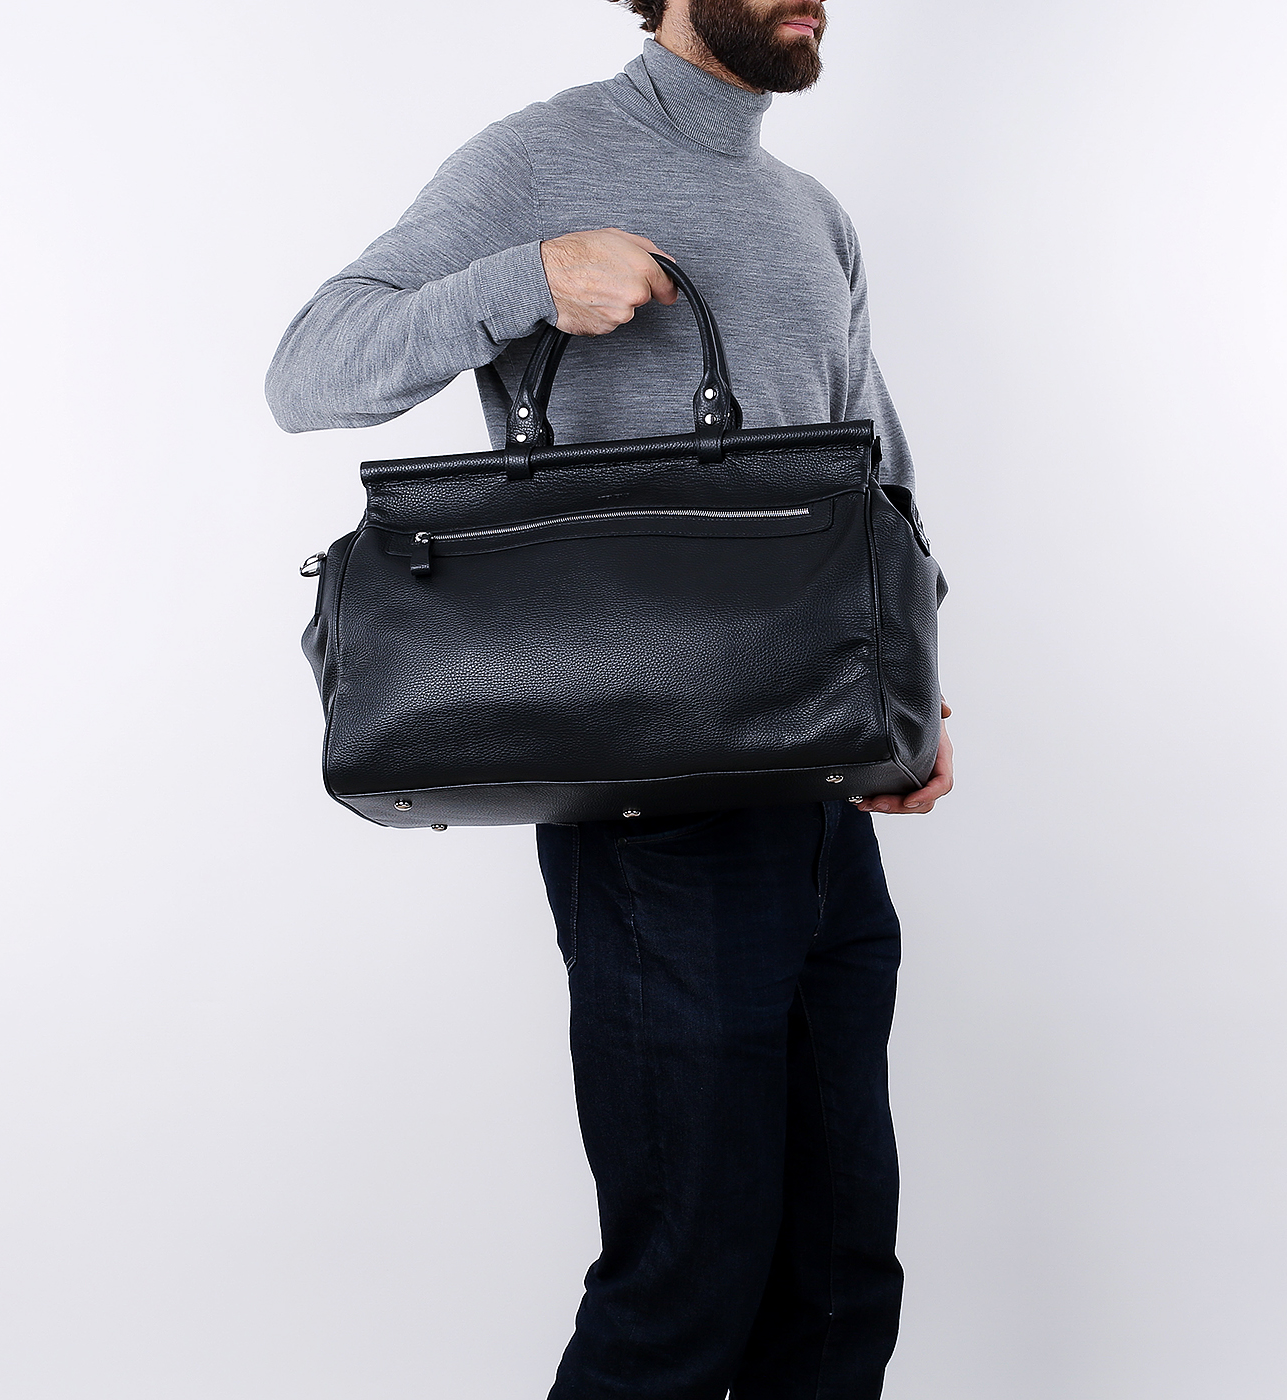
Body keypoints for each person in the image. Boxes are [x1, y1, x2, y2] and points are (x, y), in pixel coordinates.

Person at [267, 1, 954, 1395]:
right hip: (654, 815)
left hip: (823, 791)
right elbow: (309, 373)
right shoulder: (540, 159)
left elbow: (870, 470)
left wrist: (919, 694)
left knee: (839, 1283)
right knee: (683, 1286)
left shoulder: (812, 213)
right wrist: (527, 278)